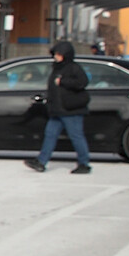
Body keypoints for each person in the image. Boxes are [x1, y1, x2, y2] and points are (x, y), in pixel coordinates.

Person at [26, 40, 91, 174]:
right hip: (57, 110)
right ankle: (41, 161)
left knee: (76, 136)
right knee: (50, 135)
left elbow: (82, 82)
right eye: (56, 53)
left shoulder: (73, 68)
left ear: (66, 55)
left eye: (59, 54)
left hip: (71, 110)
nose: (56, 56)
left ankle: (84, 164)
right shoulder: (56, 68)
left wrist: (63, 81)